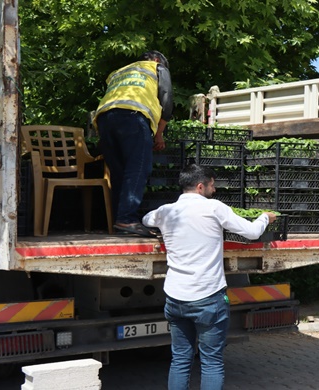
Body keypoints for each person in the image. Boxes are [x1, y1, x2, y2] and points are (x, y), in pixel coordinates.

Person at [142, 164, 276, 390]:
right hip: (208, 299)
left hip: (175, 298)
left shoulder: (166, 211)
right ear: (200, 186)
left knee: (180, 360)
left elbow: (146, 219)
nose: (214, 190)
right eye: (212, 185)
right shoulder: (214, 208)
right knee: (211, 363)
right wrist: (265, 217)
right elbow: (252, 232)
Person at [94, 50, 173, 237]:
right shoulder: (157, 67)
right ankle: (127, 219)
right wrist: (159, 134)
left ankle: (120, 221)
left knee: (119, 171)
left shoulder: (121, 71)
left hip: (104, 119)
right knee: (138, 168)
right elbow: (167, 100)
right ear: (156, 60)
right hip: (133, 117)